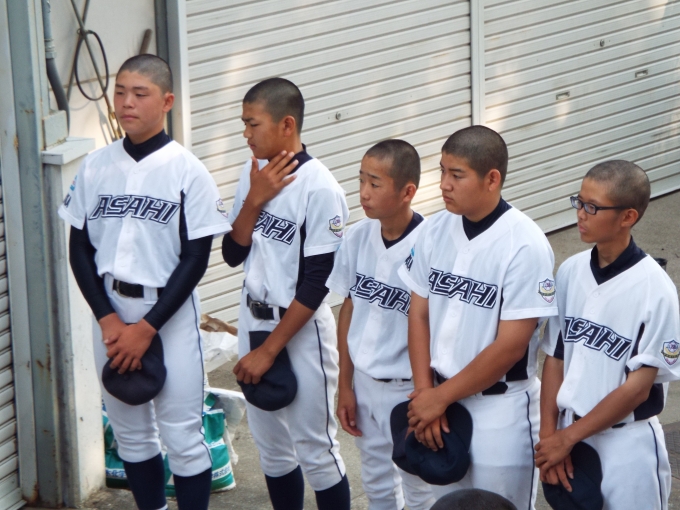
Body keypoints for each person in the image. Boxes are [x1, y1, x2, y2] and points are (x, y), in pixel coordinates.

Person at [58, 54, 232, 510]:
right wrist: (108, 319)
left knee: (183, 435)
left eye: (140, 93)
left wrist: (147, 327)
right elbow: (79, 250)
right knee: (131, 434)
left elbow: (196, 259)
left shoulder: (188, 171)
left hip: (168, 315)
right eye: (120, 92)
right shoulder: (95, 166)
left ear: (167, 101)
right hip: (111, 310)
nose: (127, 102)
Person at [398, 125, 558, 509]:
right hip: (439, 403)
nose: (444, 184)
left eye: (457, 175)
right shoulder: (434, 229)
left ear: (492, 179)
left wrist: (438, 399)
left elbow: (511, 346)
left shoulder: (526, 244)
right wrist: (426, 394)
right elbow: (418, 314)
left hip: (499, 411)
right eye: (442, 171)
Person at [221, 78, 351, 510]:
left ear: (287, 125)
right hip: (251, 318)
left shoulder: (320, 187)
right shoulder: (253, 174)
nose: (246, 133)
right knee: (272, 451)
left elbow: (317, 283)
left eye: (252, 123)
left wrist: (269, 351)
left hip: (298, 329)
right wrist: (254, 199)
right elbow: (232, 253)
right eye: (244, 124)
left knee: (317, 450)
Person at [535, 160, 680, 509]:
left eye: (593, 207)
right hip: (568, 435)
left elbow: (637, 388)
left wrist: (566, 438)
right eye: (579, 201)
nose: (580, 214)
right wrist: (550, 435)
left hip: (626, 446)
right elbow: (555, 358)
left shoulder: (656, 289)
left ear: (628, 216)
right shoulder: (570, 271)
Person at [326, 140, 436, 510]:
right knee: (376, 485)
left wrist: (428, 394)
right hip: (364, 382)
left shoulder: (430, 244)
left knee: (419, 488)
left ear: (407, 192)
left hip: (407, 389)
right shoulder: (358, 236)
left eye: (375, 183)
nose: (364, 192)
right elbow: (349, 308)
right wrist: (345, 385)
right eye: (361, 180)